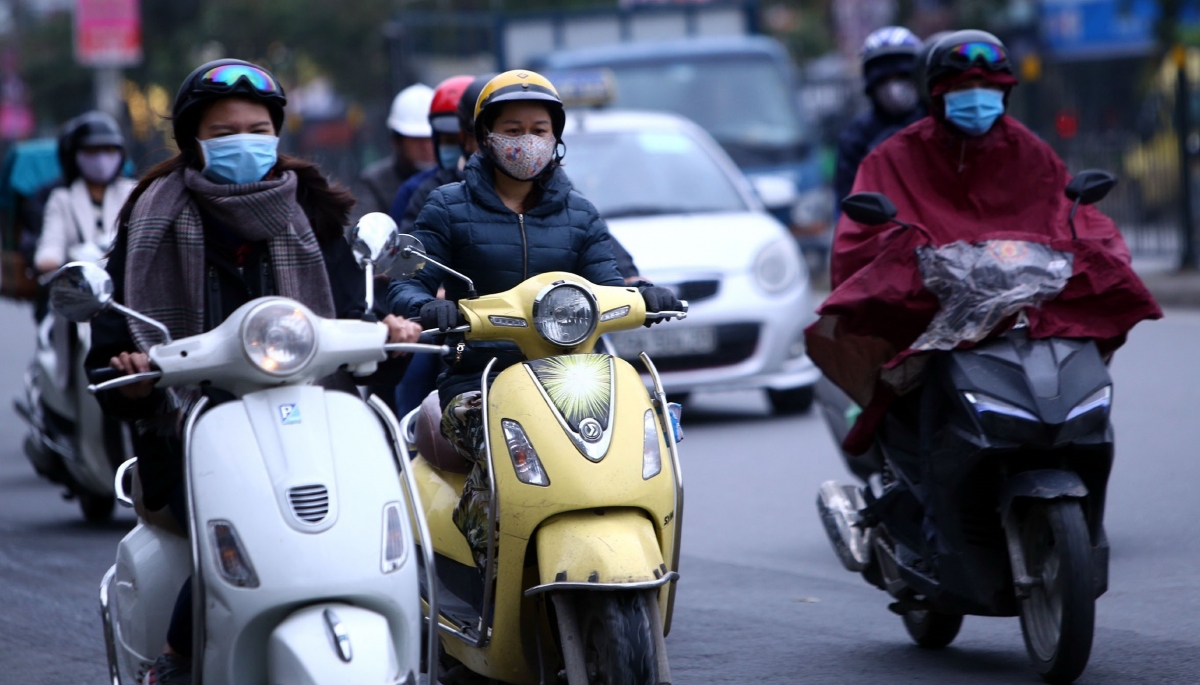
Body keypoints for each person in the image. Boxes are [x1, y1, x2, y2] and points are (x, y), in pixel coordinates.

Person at [86, 58, 422, 685]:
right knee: (232, 548)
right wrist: (129, 372)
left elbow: (356, 316)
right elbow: (109, 349)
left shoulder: (317, 213)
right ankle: (178, 661)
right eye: (224, 131)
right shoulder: (150, 221)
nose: (244, 140)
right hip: (192, 431)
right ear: (194, 142)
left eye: (257, 127)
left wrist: (392, 335)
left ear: (276, 134)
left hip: (317, 424)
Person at [808, 30, 1161, 457]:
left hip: (1022, 309)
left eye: (988, 89)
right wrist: (907, 262)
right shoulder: (892, 157)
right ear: (936, 95)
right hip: (937, 317)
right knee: (911, 402)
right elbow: (860, 238)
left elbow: (1073, 214)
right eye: (962, 89)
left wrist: (1096, 252)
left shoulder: (1029, 150)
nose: (976, 100)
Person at [386, 70, 680, 569]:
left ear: (556, 138)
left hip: (574, 380)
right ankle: (492, 562)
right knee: (500, 449)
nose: (528, 142)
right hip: (477, 380)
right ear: (485, 138)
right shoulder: (445, 206)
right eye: (514, 129)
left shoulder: (580, 215)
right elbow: (402, 280)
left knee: (648, 426)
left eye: (540, 130)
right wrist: (424, 305)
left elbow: (609, 284)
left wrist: (642, 296)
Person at [833, 26, 925, 213]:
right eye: (884, 80)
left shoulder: (940, 120)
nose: (894, 88)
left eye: (902, 77)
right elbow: (847, 205)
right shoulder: (856, 136)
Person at [34, 111, 136, 274]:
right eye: (92, 151)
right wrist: (53, 260)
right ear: (74, 155)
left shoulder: (134, 193)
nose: (101, 159)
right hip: (81, 288)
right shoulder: (62, 199)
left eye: (109, 150)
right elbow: (51, 247)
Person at [355, 83, 435, 218]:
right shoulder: (375, 182)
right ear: (397, 141)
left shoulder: (454, 178)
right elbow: (359, 227)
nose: (426, 147)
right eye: (416, 139)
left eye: (431, 138)